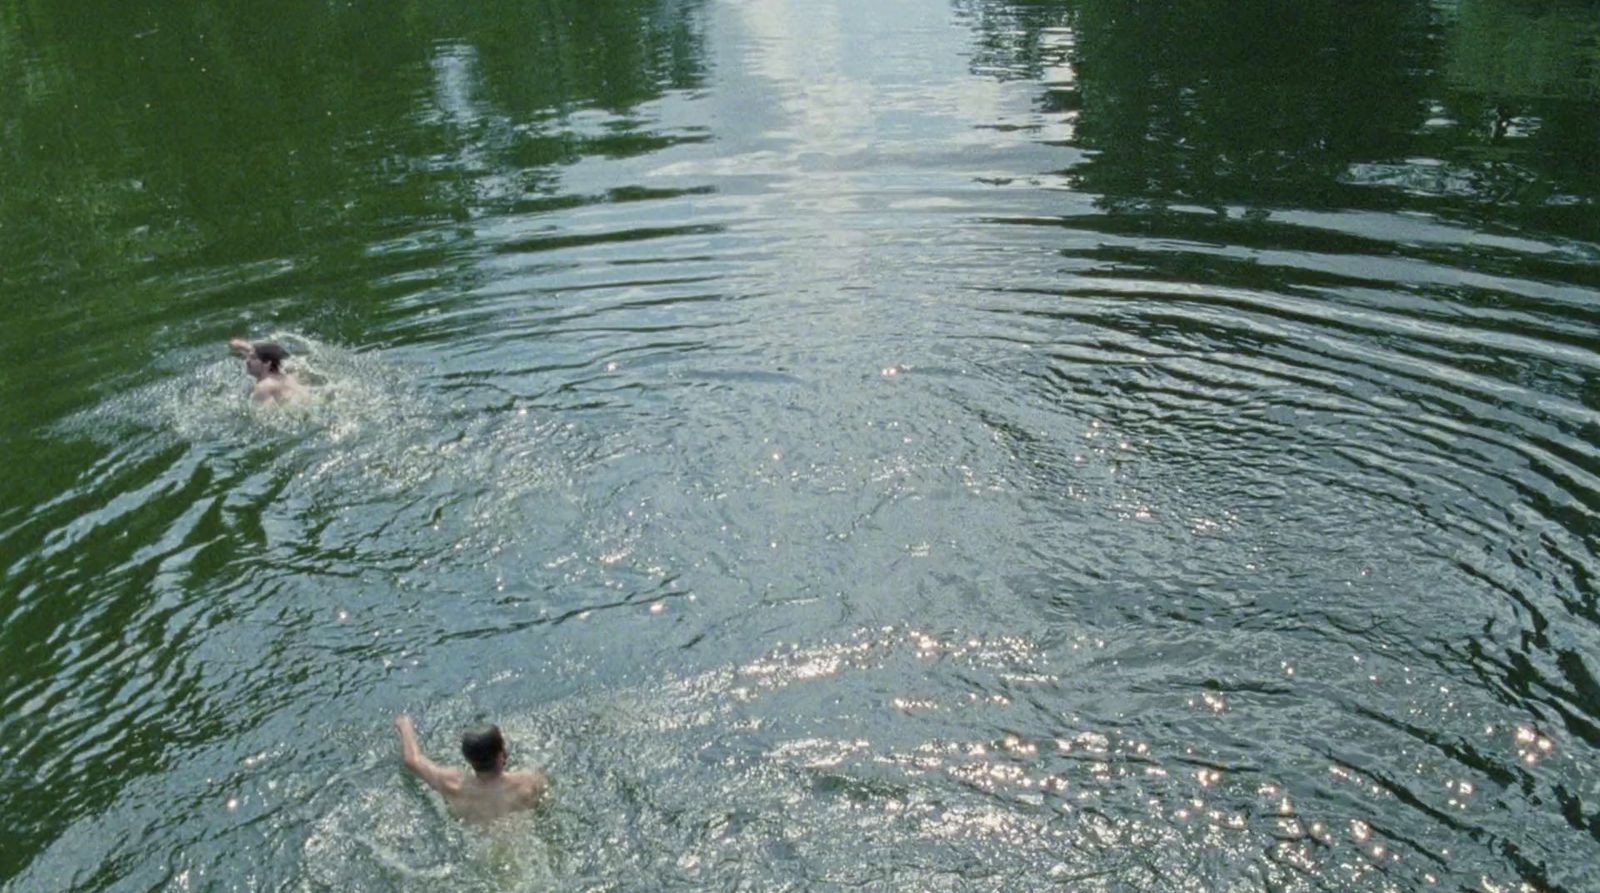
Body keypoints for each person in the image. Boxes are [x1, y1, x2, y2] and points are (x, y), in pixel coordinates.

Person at [393, 714, 548, 823]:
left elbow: (412, 760)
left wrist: (405, 725)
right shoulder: (529, 781)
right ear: (503, 753)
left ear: (467, 759)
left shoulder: (454, 785)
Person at [228, 337, 308, 403]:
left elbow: (269, 418)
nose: (247, 360)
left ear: (267, 363)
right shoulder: (284, 374)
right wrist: (242, 346)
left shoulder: (264, 386)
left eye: (253, 358)